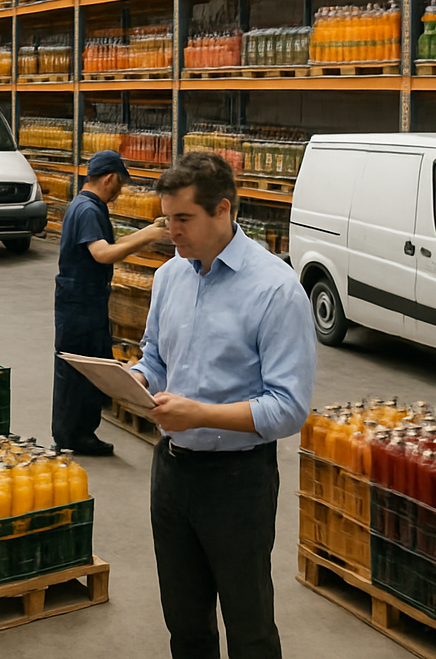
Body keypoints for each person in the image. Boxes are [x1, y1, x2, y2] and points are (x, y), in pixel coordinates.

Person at [129, 151, 316, 659]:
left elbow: (288, 408)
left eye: (183, 219)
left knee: (248, 625)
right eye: (167, 220)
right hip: (170, 473)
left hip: (237, 483)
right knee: (185, 623)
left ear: (223, 210)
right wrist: (136, 379)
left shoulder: (275, 289)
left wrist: (202, 415)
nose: (172, 232)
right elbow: (156, 357)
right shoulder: (171, 276)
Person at [53, 149, 171, 456]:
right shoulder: (89, 210)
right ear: (109, 178)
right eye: (119, 185)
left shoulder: (84, 205)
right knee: (82, 367)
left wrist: (150, 229)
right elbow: (102, 253)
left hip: (81, 297)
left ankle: (73, 432)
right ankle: (75, 436)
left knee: (85, 364)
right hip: (81, 301)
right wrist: (148, 238)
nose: (120, 193)